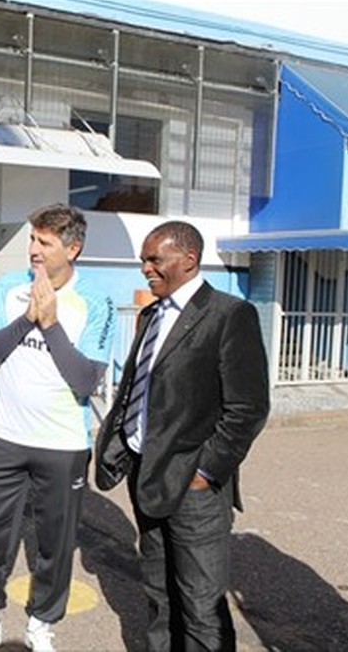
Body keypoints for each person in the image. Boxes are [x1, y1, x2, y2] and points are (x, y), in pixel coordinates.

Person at [0, 204, 115, 652]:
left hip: (63, 443)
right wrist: (27, 319)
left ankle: (41, 625)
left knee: (55, 541)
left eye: (44, 242)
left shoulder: (98, 301)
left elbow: (85, 379)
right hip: (3, 436)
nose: (33, 249)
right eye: (32, 240)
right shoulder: (10, 286)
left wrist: (52, 323)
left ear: (72, 248)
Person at [95, 221, 270, 651]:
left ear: (188, 260)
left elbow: (247, 409)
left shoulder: (229, 315)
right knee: (158, 592)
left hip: (195, 488)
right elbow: (140, 389)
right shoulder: (151, 315)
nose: (145, 268)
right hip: (146, 475)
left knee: (201, 604)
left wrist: (206, 473)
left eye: (154, 259)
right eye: (143, 260)